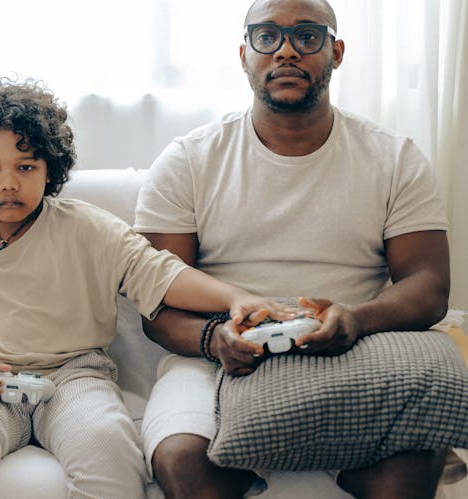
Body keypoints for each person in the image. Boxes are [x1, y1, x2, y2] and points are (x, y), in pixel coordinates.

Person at [0, 79, 299, 499]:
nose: (9, 183)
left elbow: (158, 273)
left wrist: (236, 298)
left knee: (109, 446)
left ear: (50, 169)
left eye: (26, 166)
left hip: (76, 376)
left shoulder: (88, 228)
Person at [134, 1, 455, 498]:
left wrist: (356, 319)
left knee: (408, 471)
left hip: (359, 347)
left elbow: (430, 288)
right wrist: (213, 339)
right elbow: (154, 303)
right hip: (217, 356)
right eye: (267, 37)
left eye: (307, 36)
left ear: (336, 52)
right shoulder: (187, 161)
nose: (286, 51)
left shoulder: (395, 157)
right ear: (244, 54)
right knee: (182, 461)